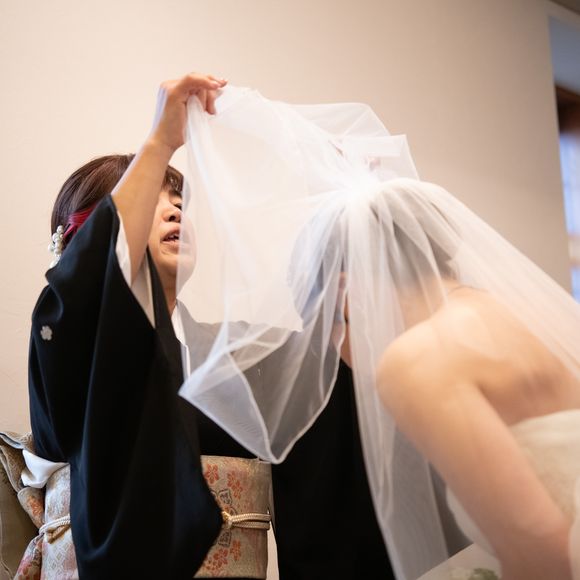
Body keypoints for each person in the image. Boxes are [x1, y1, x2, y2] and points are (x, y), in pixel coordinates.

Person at [175, 87, 580, 579]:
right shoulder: (516, 313)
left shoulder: (418, 360)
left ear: (344, 292)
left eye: (325, 328)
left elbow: (543, 552)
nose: (338, 352)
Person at [27, 73, 231, 579]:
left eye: (179, 197)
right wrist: (160, 143)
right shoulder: (65, 329)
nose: (175, 208)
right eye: (152, 195)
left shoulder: (229, 348)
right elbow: (91, 284)